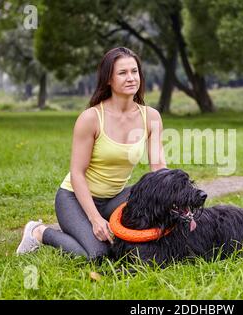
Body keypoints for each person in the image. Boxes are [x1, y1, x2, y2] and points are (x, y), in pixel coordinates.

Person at [16, 47, 167, 261]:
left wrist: (172, 197)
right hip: (75, 198)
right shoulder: (91, 118)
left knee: (146, 203)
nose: (131, 78)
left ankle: (83, 229)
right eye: (122, 73)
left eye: (135, 71)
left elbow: (158, 166)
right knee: (99, 255)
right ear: (108, 79)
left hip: (115, 198)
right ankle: (39, 232)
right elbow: (77, 173)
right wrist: (96, 219)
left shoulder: (151, 117)